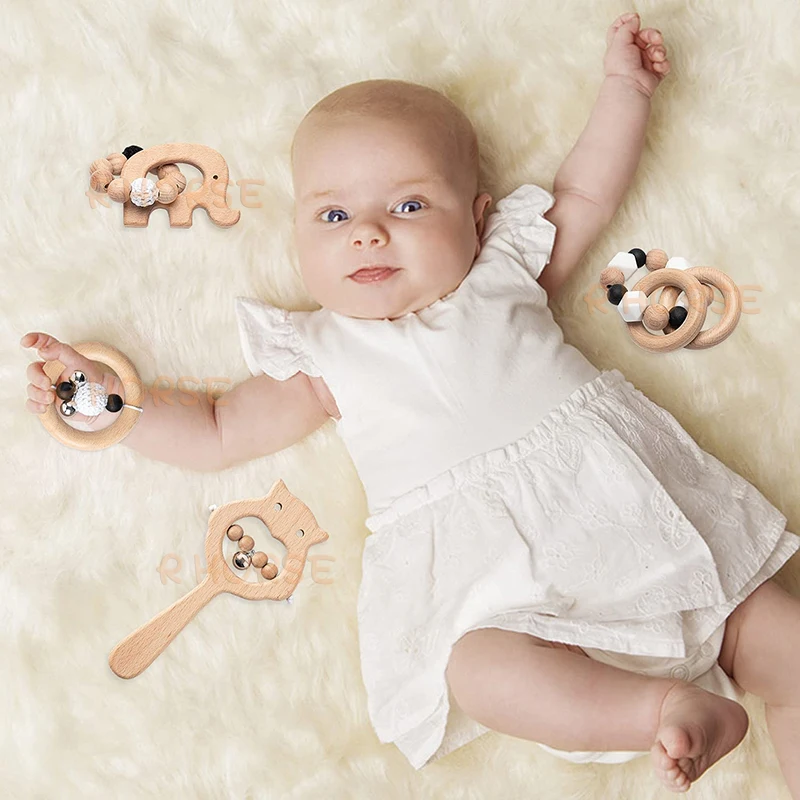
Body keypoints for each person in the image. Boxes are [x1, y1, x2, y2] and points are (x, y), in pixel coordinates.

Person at [21, 13, 800, 796]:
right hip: (514, 602)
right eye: (333, 216)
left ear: (479, 219)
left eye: (408, 207)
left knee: (790, 653)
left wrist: (625, 91)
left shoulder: (503, 276)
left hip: (639, 523)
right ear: (296, 234)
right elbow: (220, 429)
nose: (367, 234)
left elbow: (585, 189)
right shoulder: (324, 356)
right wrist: (106, 402)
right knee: (477, 670)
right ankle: (664, 709)